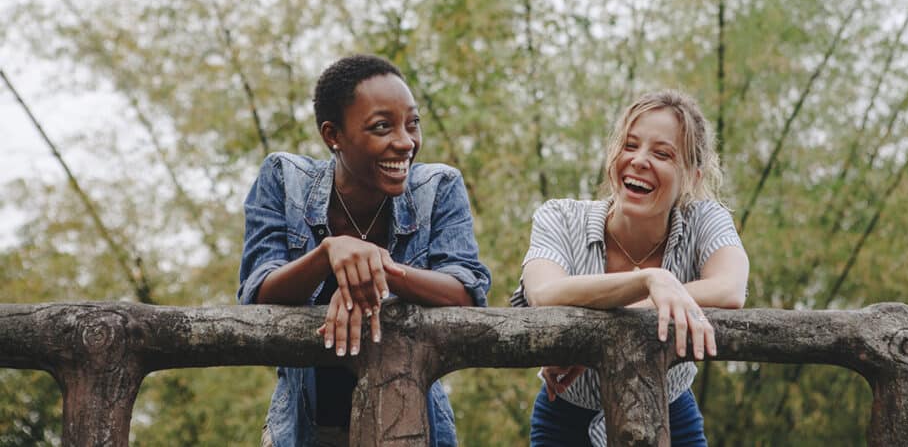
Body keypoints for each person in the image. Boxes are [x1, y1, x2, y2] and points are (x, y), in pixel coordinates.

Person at [239, 54, 491, 447]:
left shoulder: (439, 187)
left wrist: (377, 271)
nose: (406, 142)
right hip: (302, 430)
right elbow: (257, 293)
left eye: (413, 124)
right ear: (332, 135)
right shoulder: (283, 179)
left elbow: (467, 291)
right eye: (381, 127)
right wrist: (328, 254)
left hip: (412, 426)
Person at [511, 90, 749, 447]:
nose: (638, 160)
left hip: (672, 414)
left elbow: (730, 289)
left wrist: (590, 342)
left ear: (693, 177)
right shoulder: (558, 216)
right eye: (629, 145)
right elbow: (544, 293)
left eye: (662, 153)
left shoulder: (705, 218)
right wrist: (652, 280)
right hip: (566, 417)